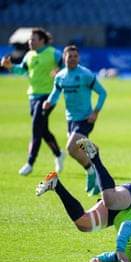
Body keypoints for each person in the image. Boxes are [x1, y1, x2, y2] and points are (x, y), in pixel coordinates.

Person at [35, 137, 131, 262]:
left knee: (84, 224)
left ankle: (55, 184)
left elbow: (114, 257)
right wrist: (120, 250)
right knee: (110, 200)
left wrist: (99, 259)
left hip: (118, 214)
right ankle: (94, 156)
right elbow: (127, 226)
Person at [42, 45, 108, 196]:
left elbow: (103, 93)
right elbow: (55, 93)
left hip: (86, 118)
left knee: (71, 147)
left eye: (75, 56)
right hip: (70, 119)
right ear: (64, 58)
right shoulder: (60, 76)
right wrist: (49, 102)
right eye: (69, 56)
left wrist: (95, 112)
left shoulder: (85, 74)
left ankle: (91, 172)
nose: (72, 59)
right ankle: (96, 175)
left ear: (78, 58)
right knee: (79, 149)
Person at [0, 27, 65, 176]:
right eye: (29, 39)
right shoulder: (29, 55)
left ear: (42, 41)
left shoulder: (53, 53)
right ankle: (58, 154)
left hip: (48, 96)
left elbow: (66, 67)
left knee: (36, 126)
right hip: (33, 96)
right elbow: (22, 70)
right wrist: (10, 67)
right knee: (43, 130)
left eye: (33, 39)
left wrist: (59, 72)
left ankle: (30, 162)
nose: (30, 42)